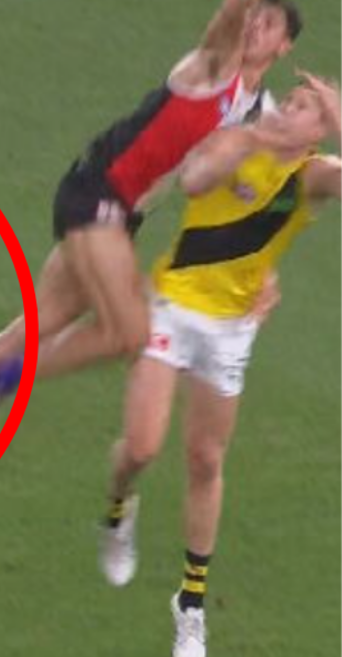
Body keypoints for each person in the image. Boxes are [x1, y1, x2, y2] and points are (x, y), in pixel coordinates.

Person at [0, 0, 303, 507]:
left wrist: (264, 271)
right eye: (254, 16)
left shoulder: (259, 114)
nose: (254, 26)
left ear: (285, 47)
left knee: (38, 324)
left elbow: (251, 196)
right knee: (130, 335)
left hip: (124, 215)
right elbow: (232, 6)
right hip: (99, 192)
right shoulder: (213, 66)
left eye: (268, 24)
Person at [98, 74, 340, 657]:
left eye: (306, 107)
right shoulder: (235, 139)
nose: (291, 107)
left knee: (206, 460)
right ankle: (117, 509)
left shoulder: (310, 177)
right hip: (172, 305)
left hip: (230, 331)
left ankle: (190, 603)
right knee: (141, 448)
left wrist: (338, 114)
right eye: (291, 99)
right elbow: (195, 180)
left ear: (319, 131)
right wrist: (252, 137)